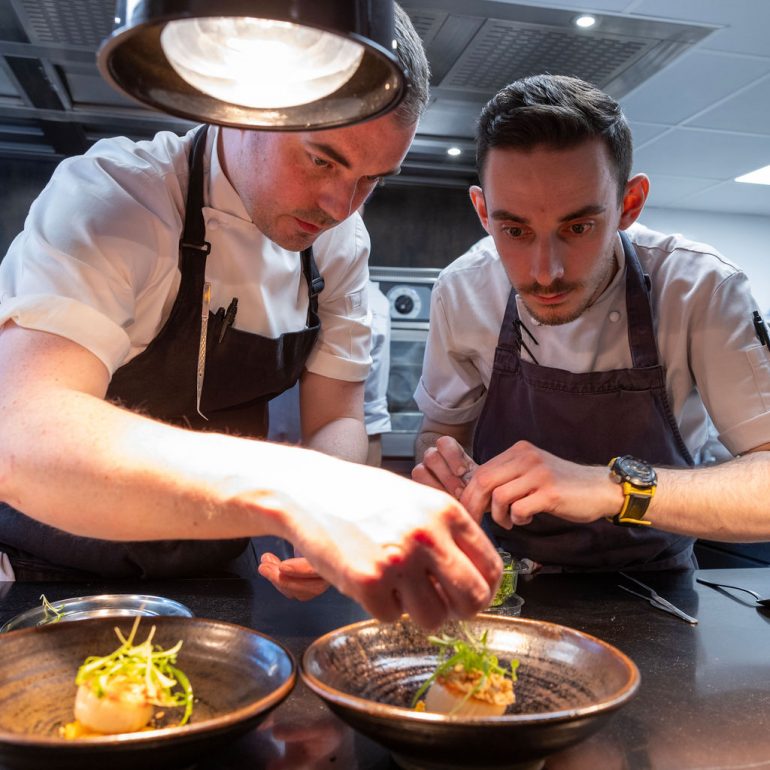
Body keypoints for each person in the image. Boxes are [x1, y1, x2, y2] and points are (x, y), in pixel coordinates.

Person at [0, 6, 501, 629]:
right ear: (243, 107)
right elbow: (26, 437)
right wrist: (302, 494)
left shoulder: (340, 243)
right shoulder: (116, 196)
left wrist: (327, 515)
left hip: (216, 568)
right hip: (49, 571)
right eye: (323, 160)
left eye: (371, 179)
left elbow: (338, 415)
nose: (340, 205)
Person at [412, 74, 770, 572]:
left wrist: (611, 486)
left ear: (629, 204)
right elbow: (440, 434)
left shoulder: (701, 287)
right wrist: (440, 465)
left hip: (656, 581)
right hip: (506, 577)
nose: (545, 272)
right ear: (482, 211)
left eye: (578, 227)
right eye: (513, 230)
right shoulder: (463, 290)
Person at [259, 278, 391, 599]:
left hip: (320, 502)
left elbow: (362, 424)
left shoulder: (372, 311)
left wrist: (343, 520)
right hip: (242, 496)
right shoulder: (253, 292)